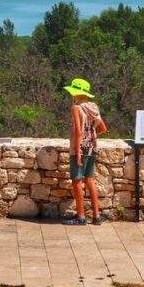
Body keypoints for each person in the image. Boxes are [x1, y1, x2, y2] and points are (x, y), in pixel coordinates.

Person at [62, 77, 107, 225]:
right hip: (92, 147)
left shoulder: (76, 108)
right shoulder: (93, 107)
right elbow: (103, 129)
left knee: (76, 181)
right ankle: (96, 216)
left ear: (77, 93)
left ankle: (81, 217)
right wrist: (91, 137)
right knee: (90, 180)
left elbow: (77, 131)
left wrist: (78, 152)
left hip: (80, 148)